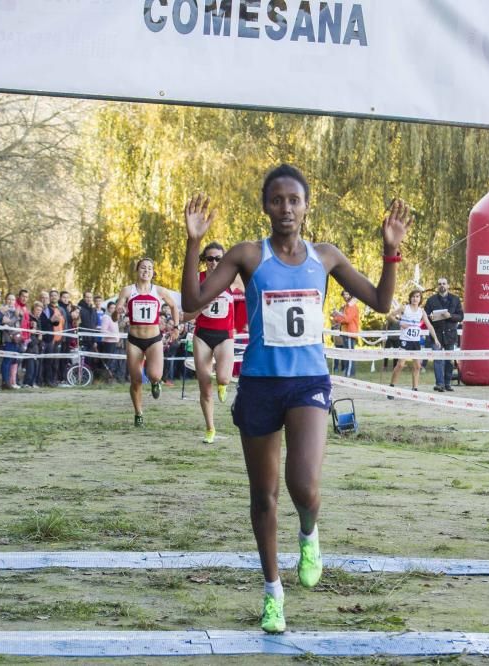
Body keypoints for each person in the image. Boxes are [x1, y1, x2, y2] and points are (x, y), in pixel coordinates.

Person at [181, 165, 412, 634]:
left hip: (308, 382)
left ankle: (309, 533)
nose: (286, 208)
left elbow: (381, 303)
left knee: (303, 484)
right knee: (263, 497)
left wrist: (390, 253)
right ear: (265, 206)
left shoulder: (325, 257)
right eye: (277, 200)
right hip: (262, 384)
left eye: (294, 200)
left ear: (307, 207)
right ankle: (272, 593)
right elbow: (192, 300)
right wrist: (191, 243)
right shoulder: (249, 255)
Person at [118, 257, 182, 426]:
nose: (146, 271)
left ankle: (155, 383)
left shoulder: (159, 291)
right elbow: (115, 315)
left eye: (149, 268)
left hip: (154, 339)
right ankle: (138, 413)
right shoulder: (127, 290)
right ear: (137, 270)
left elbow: (175, 306)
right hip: (134, 340)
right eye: (143, 268)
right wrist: (117, 312)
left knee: (155, 374)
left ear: (153, 273)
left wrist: (175, 326)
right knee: (136, 380)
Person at [191, 242, 236, 443]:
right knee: (204, 385)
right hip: (202, 335)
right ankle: (210, 428)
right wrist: (200, 307)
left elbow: (258, 288)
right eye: (210, 258)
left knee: (224, 378)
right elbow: (184, 315)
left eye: (219, 258)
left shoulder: (232, 279)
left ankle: (223, 384)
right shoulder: (196, 280)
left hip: (224, 335)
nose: (214, 262)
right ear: (204, 260)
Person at [387, 290, 439, 395]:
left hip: (416, 342)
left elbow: (429, 326)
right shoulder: (404, 308)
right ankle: (391, 388)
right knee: (400, 364)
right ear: (410, 298)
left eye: (418, 297)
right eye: (414, 296)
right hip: (405, 341)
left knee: (417, 366)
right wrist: (400, 323)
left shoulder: (421, 312)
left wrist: (436, 339)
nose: (415, 299)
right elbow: (389, 316)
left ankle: (414, 389)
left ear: (420, 299)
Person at [424, 277, 463, 392]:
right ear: (437, 286)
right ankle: (439, 384)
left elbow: (461, 316)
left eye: (444, 284)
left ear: (448, 286)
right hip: (436, 335)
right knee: (438, 360)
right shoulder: (431, 300)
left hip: (450, 335)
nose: (442, 285)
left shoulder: (455, 299)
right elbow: (425, 316)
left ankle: (447, 383)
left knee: (449, 361)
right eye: (439, 284)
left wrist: (450, 316)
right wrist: (430, 317)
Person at [331, 290, 359, 377]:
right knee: (347, 354)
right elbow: (343, 318)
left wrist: (337, 318)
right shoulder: (346, 306)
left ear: (351, 295)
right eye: (343, 295)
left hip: (350, 333)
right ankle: (348, 373)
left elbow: (347, 319)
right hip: (345, 332)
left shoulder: (352, 306)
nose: (345, 296)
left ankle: (349, 374)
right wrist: (336, 317)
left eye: (347, 294)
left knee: (350, 354)